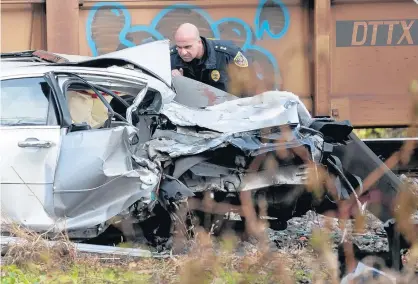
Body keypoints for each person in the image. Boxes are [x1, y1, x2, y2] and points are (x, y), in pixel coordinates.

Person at [170, 23, 251, 94]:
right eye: (179, 47)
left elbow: (249, 87)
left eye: (188, 47)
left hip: (227, 108)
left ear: (199, 42)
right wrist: (171, 81)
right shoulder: (170, 58)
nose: (183, 52)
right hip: (188, 109)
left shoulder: (228, 55)